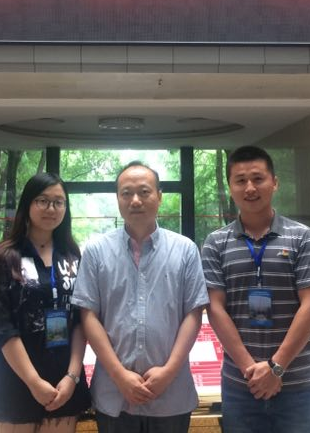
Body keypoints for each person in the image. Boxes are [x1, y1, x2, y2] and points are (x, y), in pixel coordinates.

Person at [71, 161, 209, 433]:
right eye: (126, 193)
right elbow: (88, 316)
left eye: (144, 192)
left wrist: (168, 372)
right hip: (114, 393)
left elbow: (193, 314)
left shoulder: (185, 250)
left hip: (171, 394)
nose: (135, 200)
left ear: (159, 196)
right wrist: (120, 375)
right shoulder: (96, 251)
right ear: (118, 199)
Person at [201, 146, 310, 433]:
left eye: (258, 179)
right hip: (240, 386)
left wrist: (275, 368)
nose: (250, 188)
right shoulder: (216, 243)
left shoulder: (302, 237)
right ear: (230, 187)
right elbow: (215, 308)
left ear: (275, 182)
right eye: (240, 180)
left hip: (298, 384)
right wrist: (252, 370)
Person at [0, 172, 91, 433]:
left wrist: (72, 377)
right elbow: (3, 328)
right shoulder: (4, 258)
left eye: (58, 202)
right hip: (15, 380)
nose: (51, 209)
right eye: (42, 200)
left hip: (63, 380)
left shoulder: (72, 257)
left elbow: (80, 321)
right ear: (27, 204)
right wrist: (33, 382)